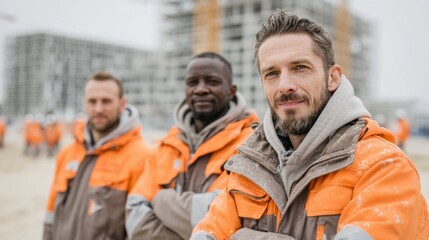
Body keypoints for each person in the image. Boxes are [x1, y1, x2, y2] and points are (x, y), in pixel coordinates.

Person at [192, 10, 429, 240]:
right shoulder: (249, 167)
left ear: (333, 77)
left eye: (299, 68)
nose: (285, 85)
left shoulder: (384, 168)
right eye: (272, 73)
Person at [126, 52, 259, 239]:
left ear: (232, 91)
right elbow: (134, 215)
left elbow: (228, 218)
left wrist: (161, 201)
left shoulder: (251, 145)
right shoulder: (167, 144)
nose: (200, 89)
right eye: (192, 82)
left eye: (212, 81)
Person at [43, 71, 152, 240]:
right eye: (92, 101)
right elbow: (51, 215)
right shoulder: (67, 153)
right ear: (85, 104)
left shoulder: (143, 156)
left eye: (106, 101)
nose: (98, 109)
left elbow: (142, 230)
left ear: (122, 103)